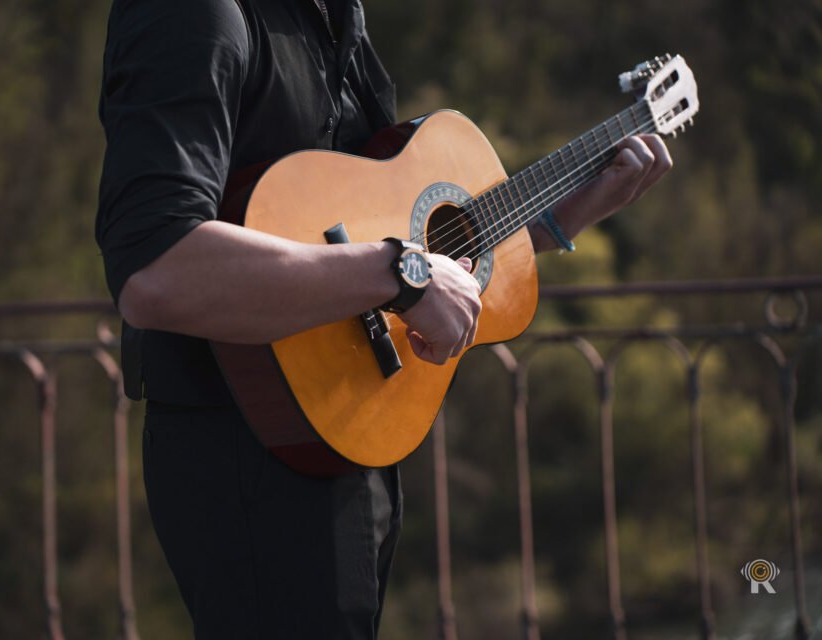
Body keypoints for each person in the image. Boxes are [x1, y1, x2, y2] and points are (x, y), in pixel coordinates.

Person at [95, 1, 672, 638]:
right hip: (246, 449)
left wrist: (559, 221)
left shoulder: (335, 17)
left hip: (343, 431)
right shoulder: (197, 12)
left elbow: (375, 233)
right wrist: (400, 274)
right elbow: (156, 269)